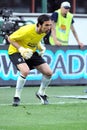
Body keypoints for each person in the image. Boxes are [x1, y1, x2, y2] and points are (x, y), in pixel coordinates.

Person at [7, 14, 53, 106]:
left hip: (31, 51)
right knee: (25, 71)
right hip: (16, 51)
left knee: (49, 73)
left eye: (50, 25)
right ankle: (17, 97)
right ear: (39, 25)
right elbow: (10, 38)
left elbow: (36, 39)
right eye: (46, 25)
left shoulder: (45, 31)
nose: (49, 27)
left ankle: (41, 93)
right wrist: (21, 49)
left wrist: (41, 47)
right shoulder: (27, 30)